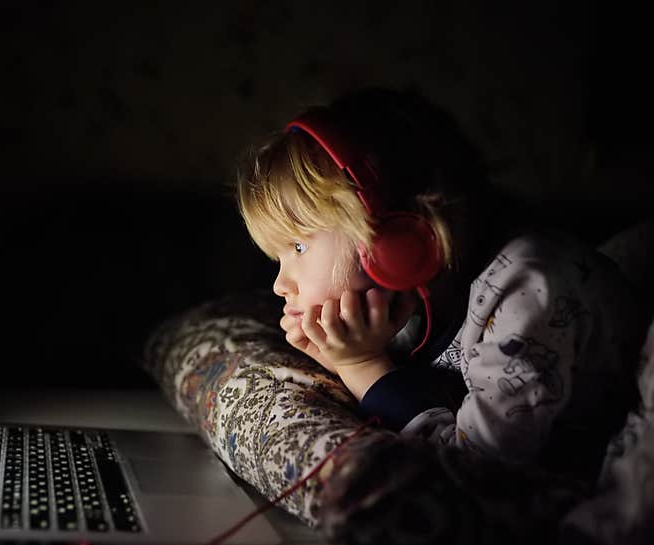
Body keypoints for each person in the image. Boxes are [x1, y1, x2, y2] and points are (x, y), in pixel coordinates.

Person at [235, 87, 644, 481]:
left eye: (299, 247)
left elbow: (476, 468)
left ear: (396, 243)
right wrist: (335, 354)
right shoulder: (407, 297)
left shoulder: (526, 291)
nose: (280, 284)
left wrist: (360, 366)